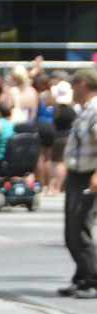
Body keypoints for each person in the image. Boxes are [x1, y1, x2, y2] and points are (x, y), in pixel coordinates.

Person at [57, 67, 97, 299]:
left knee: (79, 228)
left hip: (88, 175)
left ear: (82, 85)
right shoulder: (84, 110)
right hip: (76, 174)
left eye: (73, 85)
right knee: (71, 229)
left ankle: (93, 279)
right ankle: (82, 277)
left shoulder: (95, 110)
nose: (71, 89)